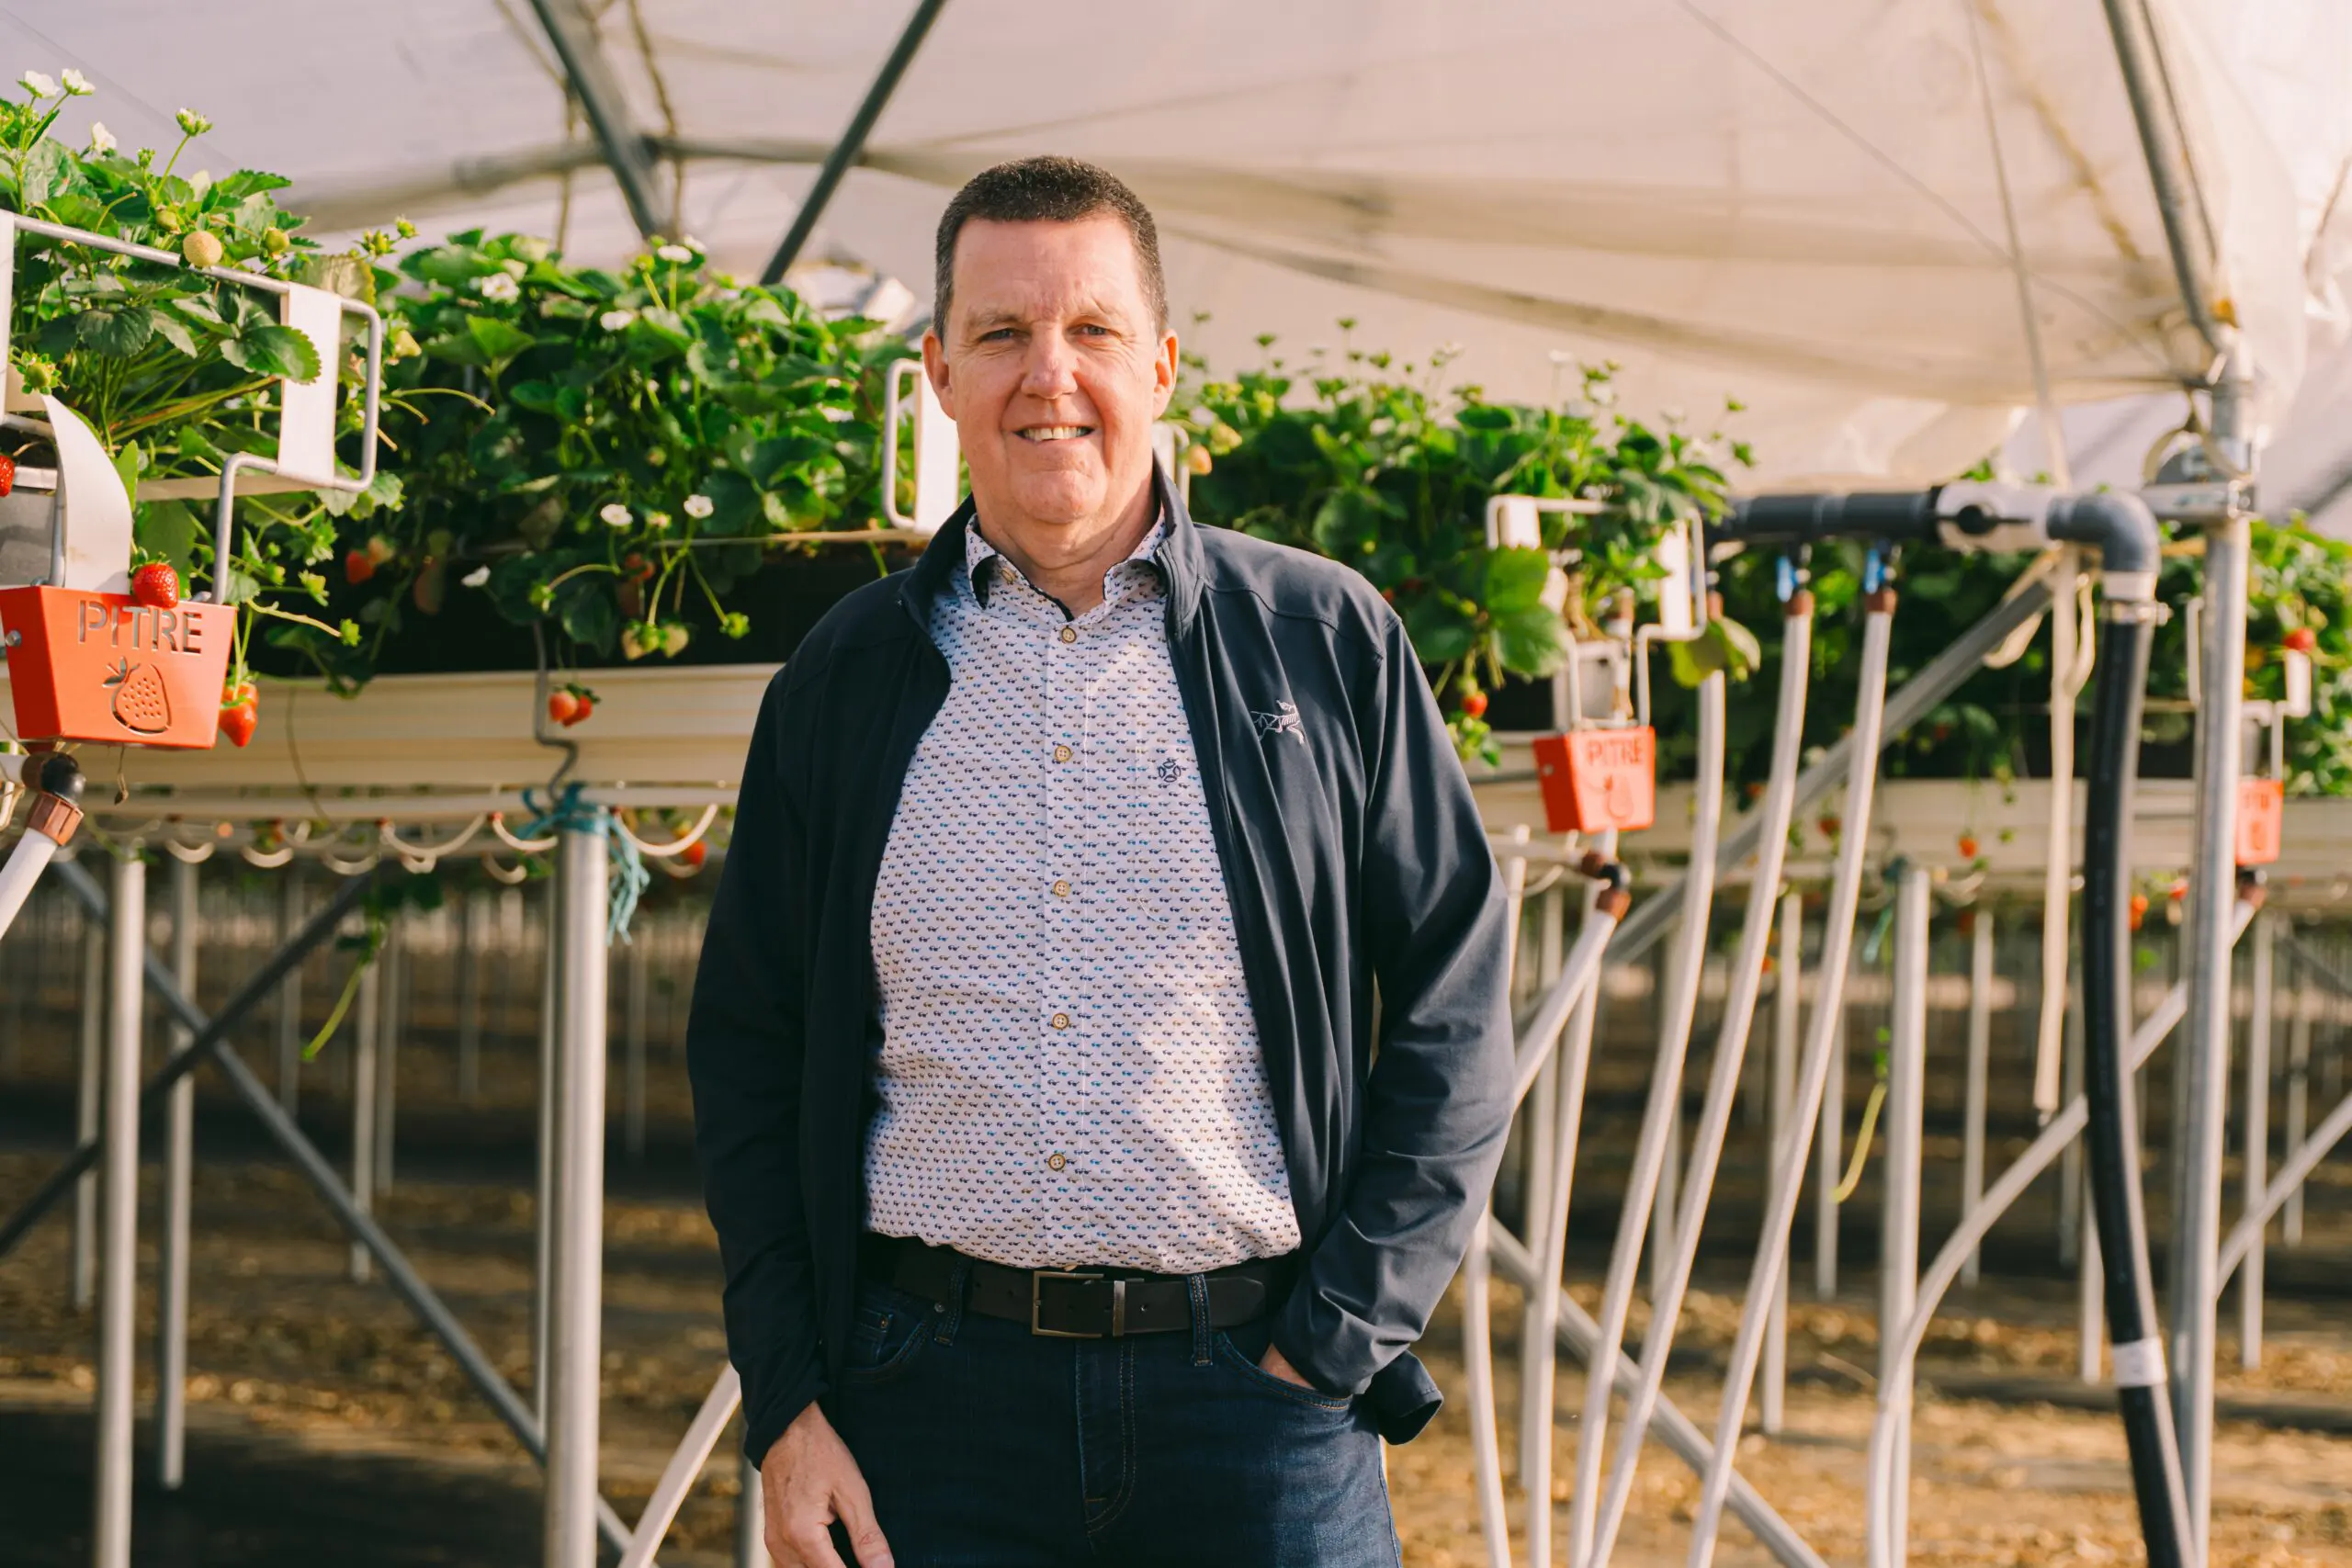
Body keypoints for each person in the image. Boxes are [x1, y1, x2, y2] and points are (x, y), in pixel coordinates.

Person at [687, 155, 1512, 1568]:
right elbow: (748, 1051)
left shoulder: (1323, 642)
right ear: (939, 372)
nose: (1045, 374)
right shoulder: (847, 677)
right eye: (1001, 334)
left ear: (1165, 364)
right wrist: (787, 1402)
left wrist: (1335, 1341)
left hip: (1254, 1407)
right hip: (923, 1409)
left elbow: (1456, 997)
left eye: (1092, 331)